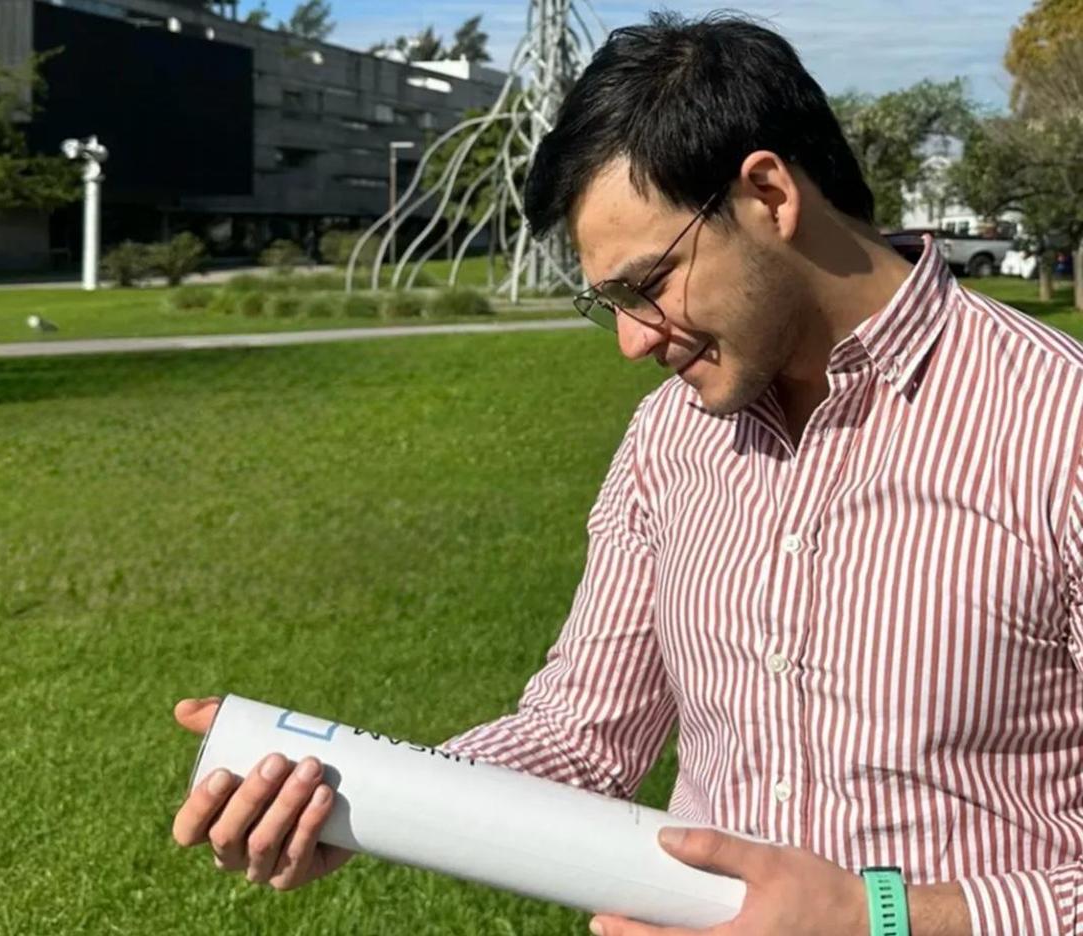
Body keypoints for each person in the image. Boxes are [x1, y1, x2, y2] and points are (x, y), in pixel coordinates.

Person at [172, 13, 1083, 935]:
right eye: (605, 301)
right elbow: (582, 733)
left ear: (768, 194)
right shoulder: (667, 440)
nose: (632, 339)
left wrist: (879, 916)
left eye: (649, 283)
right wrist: (358, 802)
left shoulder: (1061, 428)